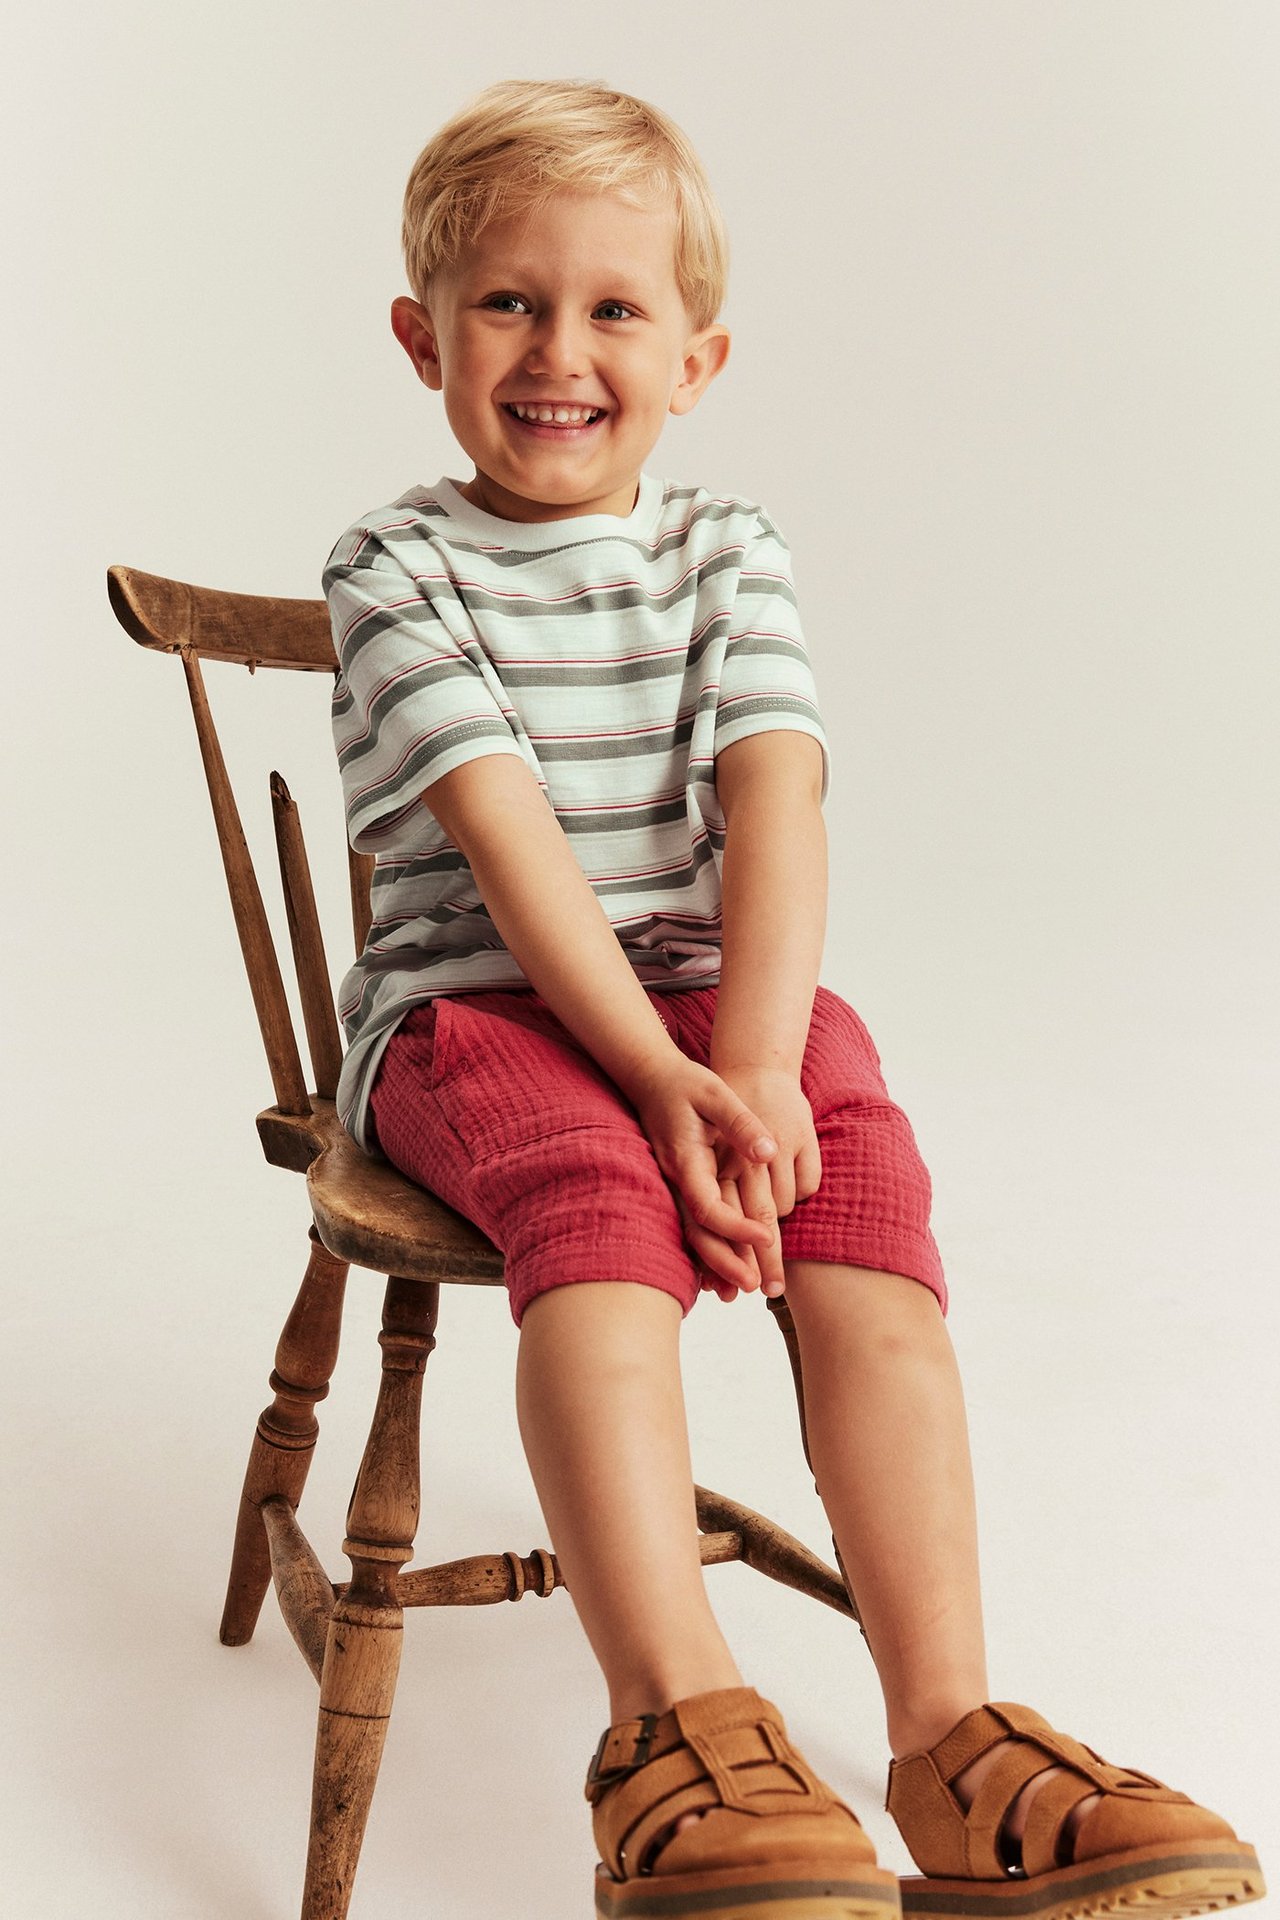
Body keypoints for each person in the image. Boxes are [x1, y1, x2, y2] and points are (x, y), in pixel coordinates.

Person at [323, 77, 1263, 1920]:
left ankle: (948, 1731)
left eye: (615, 309)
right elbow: (509, 844)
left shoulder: (726, 550)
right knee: (597, 1220)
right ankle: (674, 1719)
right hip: (484, 1012)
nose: (559, 352)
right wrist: (669, 1098)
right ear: (422, 335)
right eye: (509, 304)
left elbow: (777, 797)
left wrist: (748, 1071)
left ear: (700, 352)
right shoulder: (393, 564)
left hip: (717, 1002)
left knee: (866, 1219)